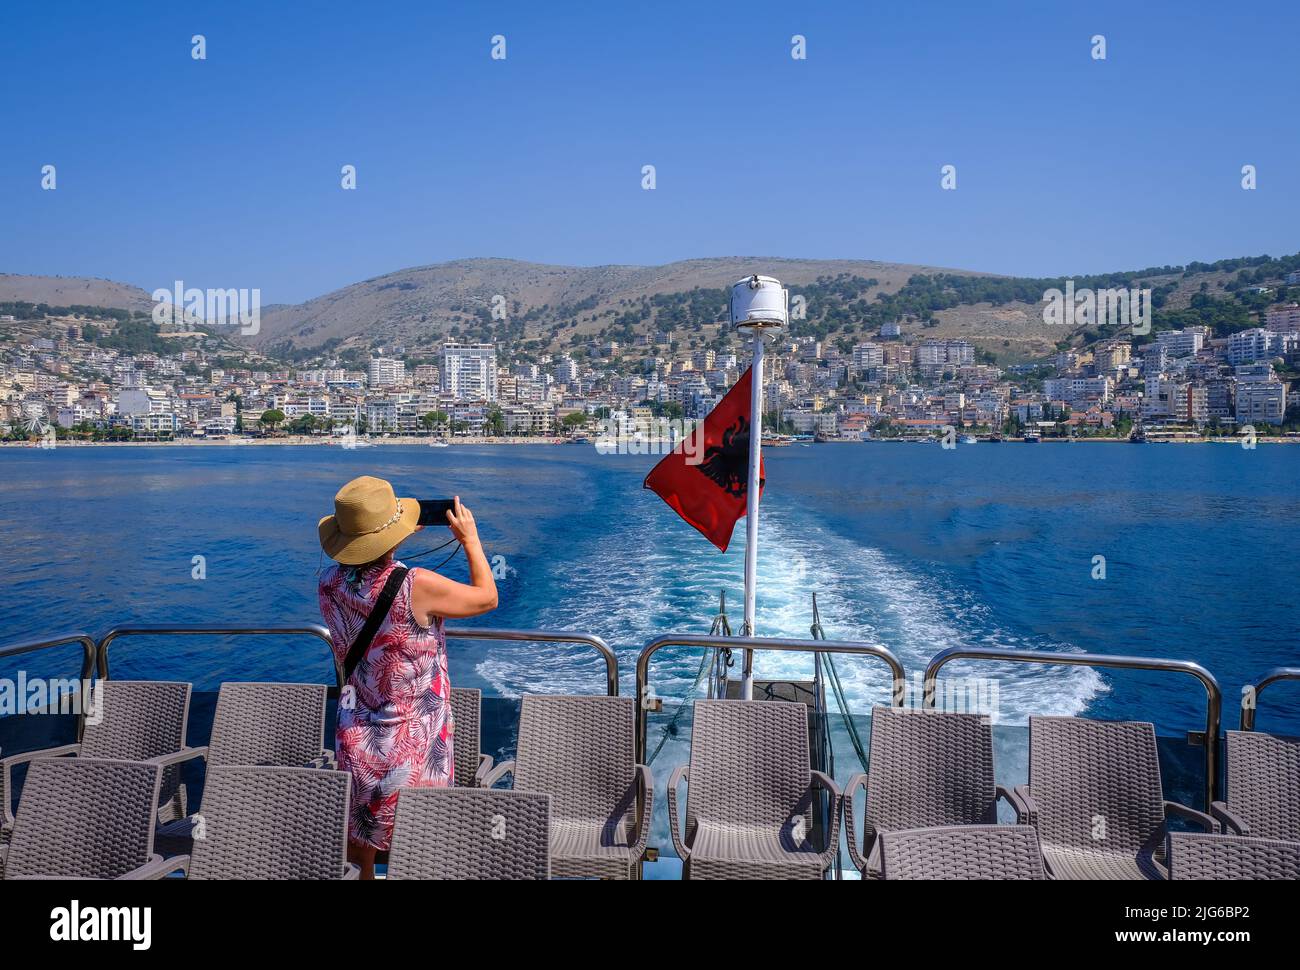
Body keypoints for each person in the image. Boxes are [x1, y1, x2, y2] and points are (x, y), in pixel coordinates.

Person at [316, 475, 497, 879]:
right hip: (413, 742)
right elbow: (487, 596)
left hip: (356, 738)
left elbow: (365, 577)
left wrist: (388, 538)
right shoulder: (418, 586)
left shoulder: (327, 584)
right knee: (420, 853)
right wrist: (469, 538)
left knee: (358, 850)